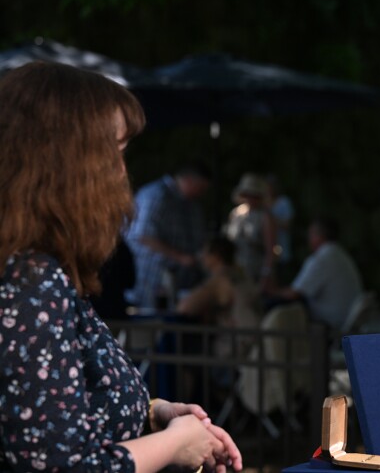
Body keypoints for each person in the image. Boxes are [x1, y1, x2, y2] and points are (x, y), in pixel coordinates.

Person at [0, 61, 242, 472]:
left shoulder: (35, 270)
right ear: (64, 163)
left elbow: (62, 409)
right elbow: (63, 466)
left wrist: (154, 413)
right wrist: (174, 444)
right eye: (116, 152)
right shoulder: (29, 282)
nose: (122, 172)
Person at [125, 161, 212, 310]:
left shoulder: (192, 205)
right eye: (201, 188)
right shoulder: (156, 195)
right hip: (152, 279)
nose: (202, 193)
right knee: (150, 317)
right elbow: (142, 235)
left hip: (180, 283)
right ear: (189, 180)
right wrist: (181, 257)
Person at [272, 217, 364, 332]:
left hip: (332, 326)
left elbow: (293, 293)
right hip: (345, 321)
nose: (308, 239)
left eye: (311, 234)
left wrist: (271, 291)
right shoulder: (339, 254)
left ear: (318, 236)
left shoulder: (322, 259)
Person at [177, 236, 262, 359]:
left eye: (205, 253)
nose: (201, 257)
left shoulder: (221, 279)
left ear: (216, 256)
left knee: (181, 341)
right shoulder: (242, 275)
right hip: (254, 344)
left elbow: (184, 308)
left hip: (235, 349)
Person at [225, 173, 276, 291]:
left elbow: (270, 250)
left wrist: (266, 274)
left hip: (255, 270)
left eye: (254, 195)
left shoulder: (265, 217)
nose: (251, 198)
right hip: (236, 269)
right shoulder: (236, 214)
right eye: (248, 194)